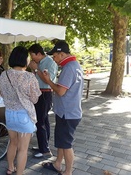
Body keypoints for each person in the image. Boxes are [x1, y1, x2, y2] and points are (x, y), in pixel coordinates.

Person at [41, 40, 83, 175]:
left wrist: (48, 81)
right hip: (67, 112)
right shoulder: (74, 65)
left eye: (54, 56)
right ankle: (58, 164)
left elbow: (60, 91)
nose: (53, 59)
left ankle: (68, 172)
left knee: (66, 144)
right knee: (61, 141)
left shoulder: (69, 67)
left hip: (67, 113)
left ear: (62, 54)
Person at [0, 46, 41, 175]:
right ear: (24, 59)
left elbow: (2, 93)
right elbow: (34, 99)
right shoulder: (29, 77)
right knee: (23, 149)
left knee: (12, 143)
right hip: (24, 115)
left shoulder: (4, 74)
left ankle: (11, 168)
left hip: (9, 113)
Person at [28, 43, 58, 158]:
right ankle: (43, 145)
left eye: (32, 55)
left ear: (39, 54)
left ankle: (45, 150)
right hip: (38, 93)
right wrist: (34, 70)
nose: (31, 58)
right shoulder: (39, 63)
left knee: (40, 121)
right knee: (43, 120)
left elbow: (47, 80)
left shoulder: (50, 62)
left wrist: (36, 69)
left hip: (45, 93)